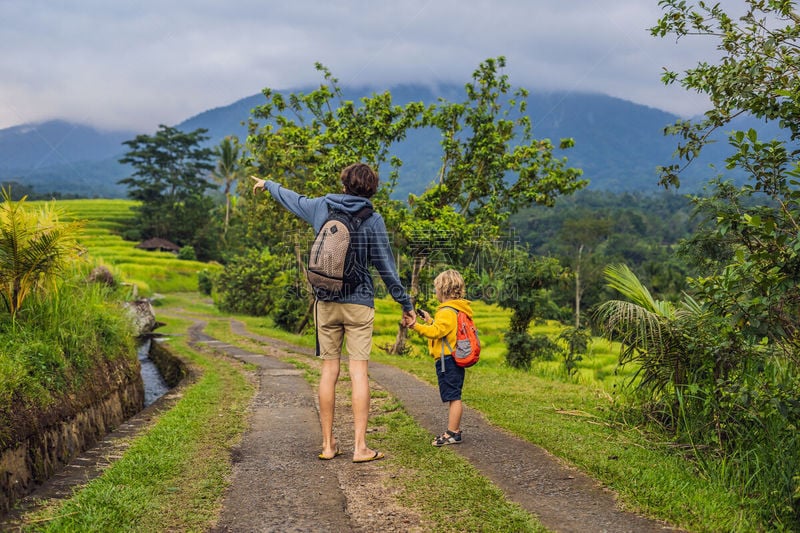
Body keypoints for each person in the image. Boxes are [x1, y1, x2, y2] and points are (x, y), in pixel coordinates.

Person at [251, 163, 415, 463]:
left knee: (329, 371)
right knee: (358, 373)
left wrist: (268, 184)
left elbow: (293, 199)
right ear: (372, 190)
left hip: (325, 301)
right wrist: (406, 304)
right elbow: (387, 269)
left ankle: (328, 445)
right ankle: (360, 447)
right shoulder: (373, 219)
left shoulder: (322, 206)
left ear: (344, 185)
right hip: (359, 302)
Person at [411, 269, 472, 446]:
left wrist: (416, 326)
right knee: (453, 395)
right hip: (452, 359)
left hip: (448, 360)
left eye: (436, 288)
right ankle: (454, 431)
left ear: (443, 290)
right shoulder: (455, 309)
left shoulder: (446, 311)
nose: (435, 292)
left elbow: (436, 332)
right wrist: (429, 320)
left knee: (454, 396)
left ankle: (452, 433)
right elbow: (442, 331)